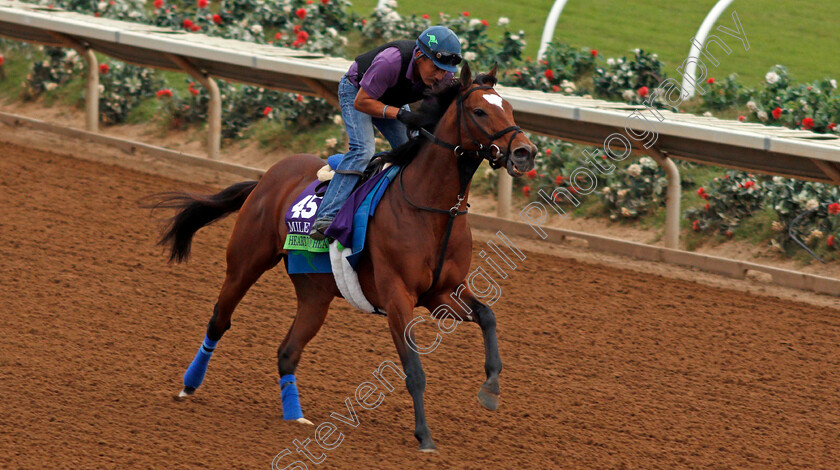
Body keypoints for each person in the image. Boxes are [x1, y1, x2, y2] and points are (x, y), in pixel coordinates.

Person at [309, 25, 463, 240]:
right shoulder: (390, 62)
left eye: (445, 71)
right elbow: (362, 102)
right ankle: (326, 215)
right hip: (357, 92)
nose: (440, 76)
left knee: (417, 150)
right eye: (435, 68)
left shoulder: (442, 76)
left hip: (392, 99)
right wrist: (399, 114)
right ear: (419, 55)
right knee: (363, 149)